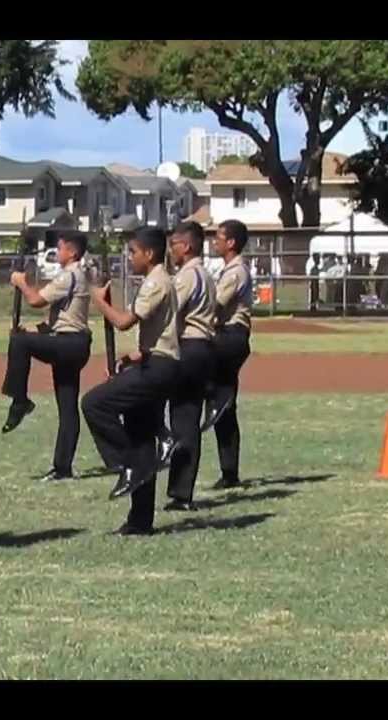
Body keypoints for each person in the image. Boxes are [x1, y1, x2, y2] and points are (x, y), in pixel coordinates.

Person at [81, 228, 180, 535]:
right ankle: (140, 519)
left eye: (133, 252)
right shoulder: (157, 281)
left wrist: (99, 301)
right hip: (153, 361)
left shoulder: (157, 282)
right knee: (140, 438)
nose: (130, 258)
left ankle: (126, 464)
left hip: (160, 369)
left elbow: (124, 322)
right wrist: (134, 356)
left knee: (94, 403)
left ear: (148, 253)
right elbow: (159, 331)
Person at [0, 231, 92, 482]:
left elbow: (36, 300)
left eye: (60, 248)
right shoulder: (75, 276)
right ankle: (63, 467)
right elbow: (59, 318)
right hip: (70, 340)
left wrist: (21, 282)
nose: (57, 252)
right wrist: (34, 330)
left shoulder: (70, 275)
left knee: (19, 343)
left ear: (72, 252)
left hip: (70, 343)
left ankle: (20, 401)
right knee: (67, 406)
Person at [156, 222, 218, 510]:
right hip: (204, 347)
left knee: (180, 419)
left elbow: (168, 311)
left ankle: (179, 488)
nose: (171, 251)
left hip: (189, 346)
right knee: (187, 420)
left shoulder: (187, 276)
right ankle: (182, 491)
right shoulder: (205, 274)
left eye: (174, 245)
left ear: (188, 246)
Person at [199, 220, 255, 490]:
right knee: (226, 408)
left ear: (231, 242)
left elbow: (215, 305)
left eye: (219, 237)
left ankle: (211, 397)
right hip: (226, 336)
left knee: (213, 392)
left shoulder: (236, 272)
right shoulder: (228, 270)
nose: (214, 241)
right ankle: (229, 471)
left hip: (230, 336)